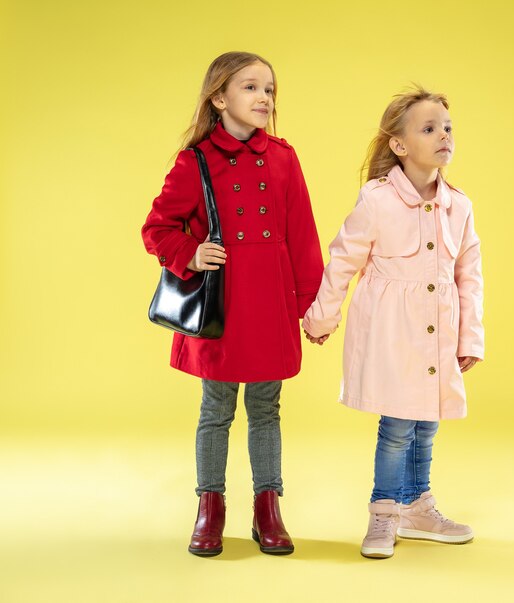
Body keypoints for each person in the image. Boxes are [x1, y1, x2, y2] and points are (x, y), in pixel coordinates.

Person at [141, 51, 323, 557]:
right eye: (250, 88)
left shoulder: (285, 157)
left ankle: (268, 507)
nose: (263, 97)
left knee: (267, 407)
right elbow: (156, 229)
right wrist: (191, 253)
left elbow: (302, 235)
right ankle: (210, 507)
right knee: (216, 408)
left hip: (272, 304)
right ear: (219, 97)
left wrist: (311, 305)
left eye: (269, 89)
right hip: (221, 307)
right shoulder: (194, 160)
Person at [302, 87, 484, 558]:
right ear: (399, 145)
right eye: (429, 128)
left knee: (428, 421)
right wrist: (321, 317)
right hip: (389, 329)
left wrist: (470, 337)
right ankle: (384, 512)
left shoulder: (458, 205)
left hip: (438, 330)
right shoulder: (377, 199)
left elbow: (469, 275)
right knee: (398, 422)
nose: (443, 135)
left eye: (447, 127)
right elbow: (343, 260)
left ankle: (417, 505)